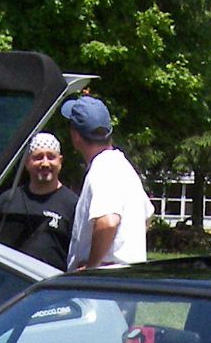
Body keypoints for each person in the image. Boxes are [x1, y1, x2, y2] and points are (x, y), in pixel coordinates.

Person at [59, 94, 152, 271]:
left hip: (101, 287)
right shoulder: (122, 165)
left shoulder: (104, 168)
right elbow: (147, 217)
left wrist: (92, 267)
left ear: (76, 136)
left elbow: (108, 222)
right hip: (121, 282)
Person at [0, 132, 79, 268]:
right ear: (27, 163)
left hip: (52, 284)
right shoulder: (8, 199)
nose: (45, 163)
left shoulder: (72, 204)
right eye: (38, 157)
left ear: (60, 161)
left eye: (51, 157)